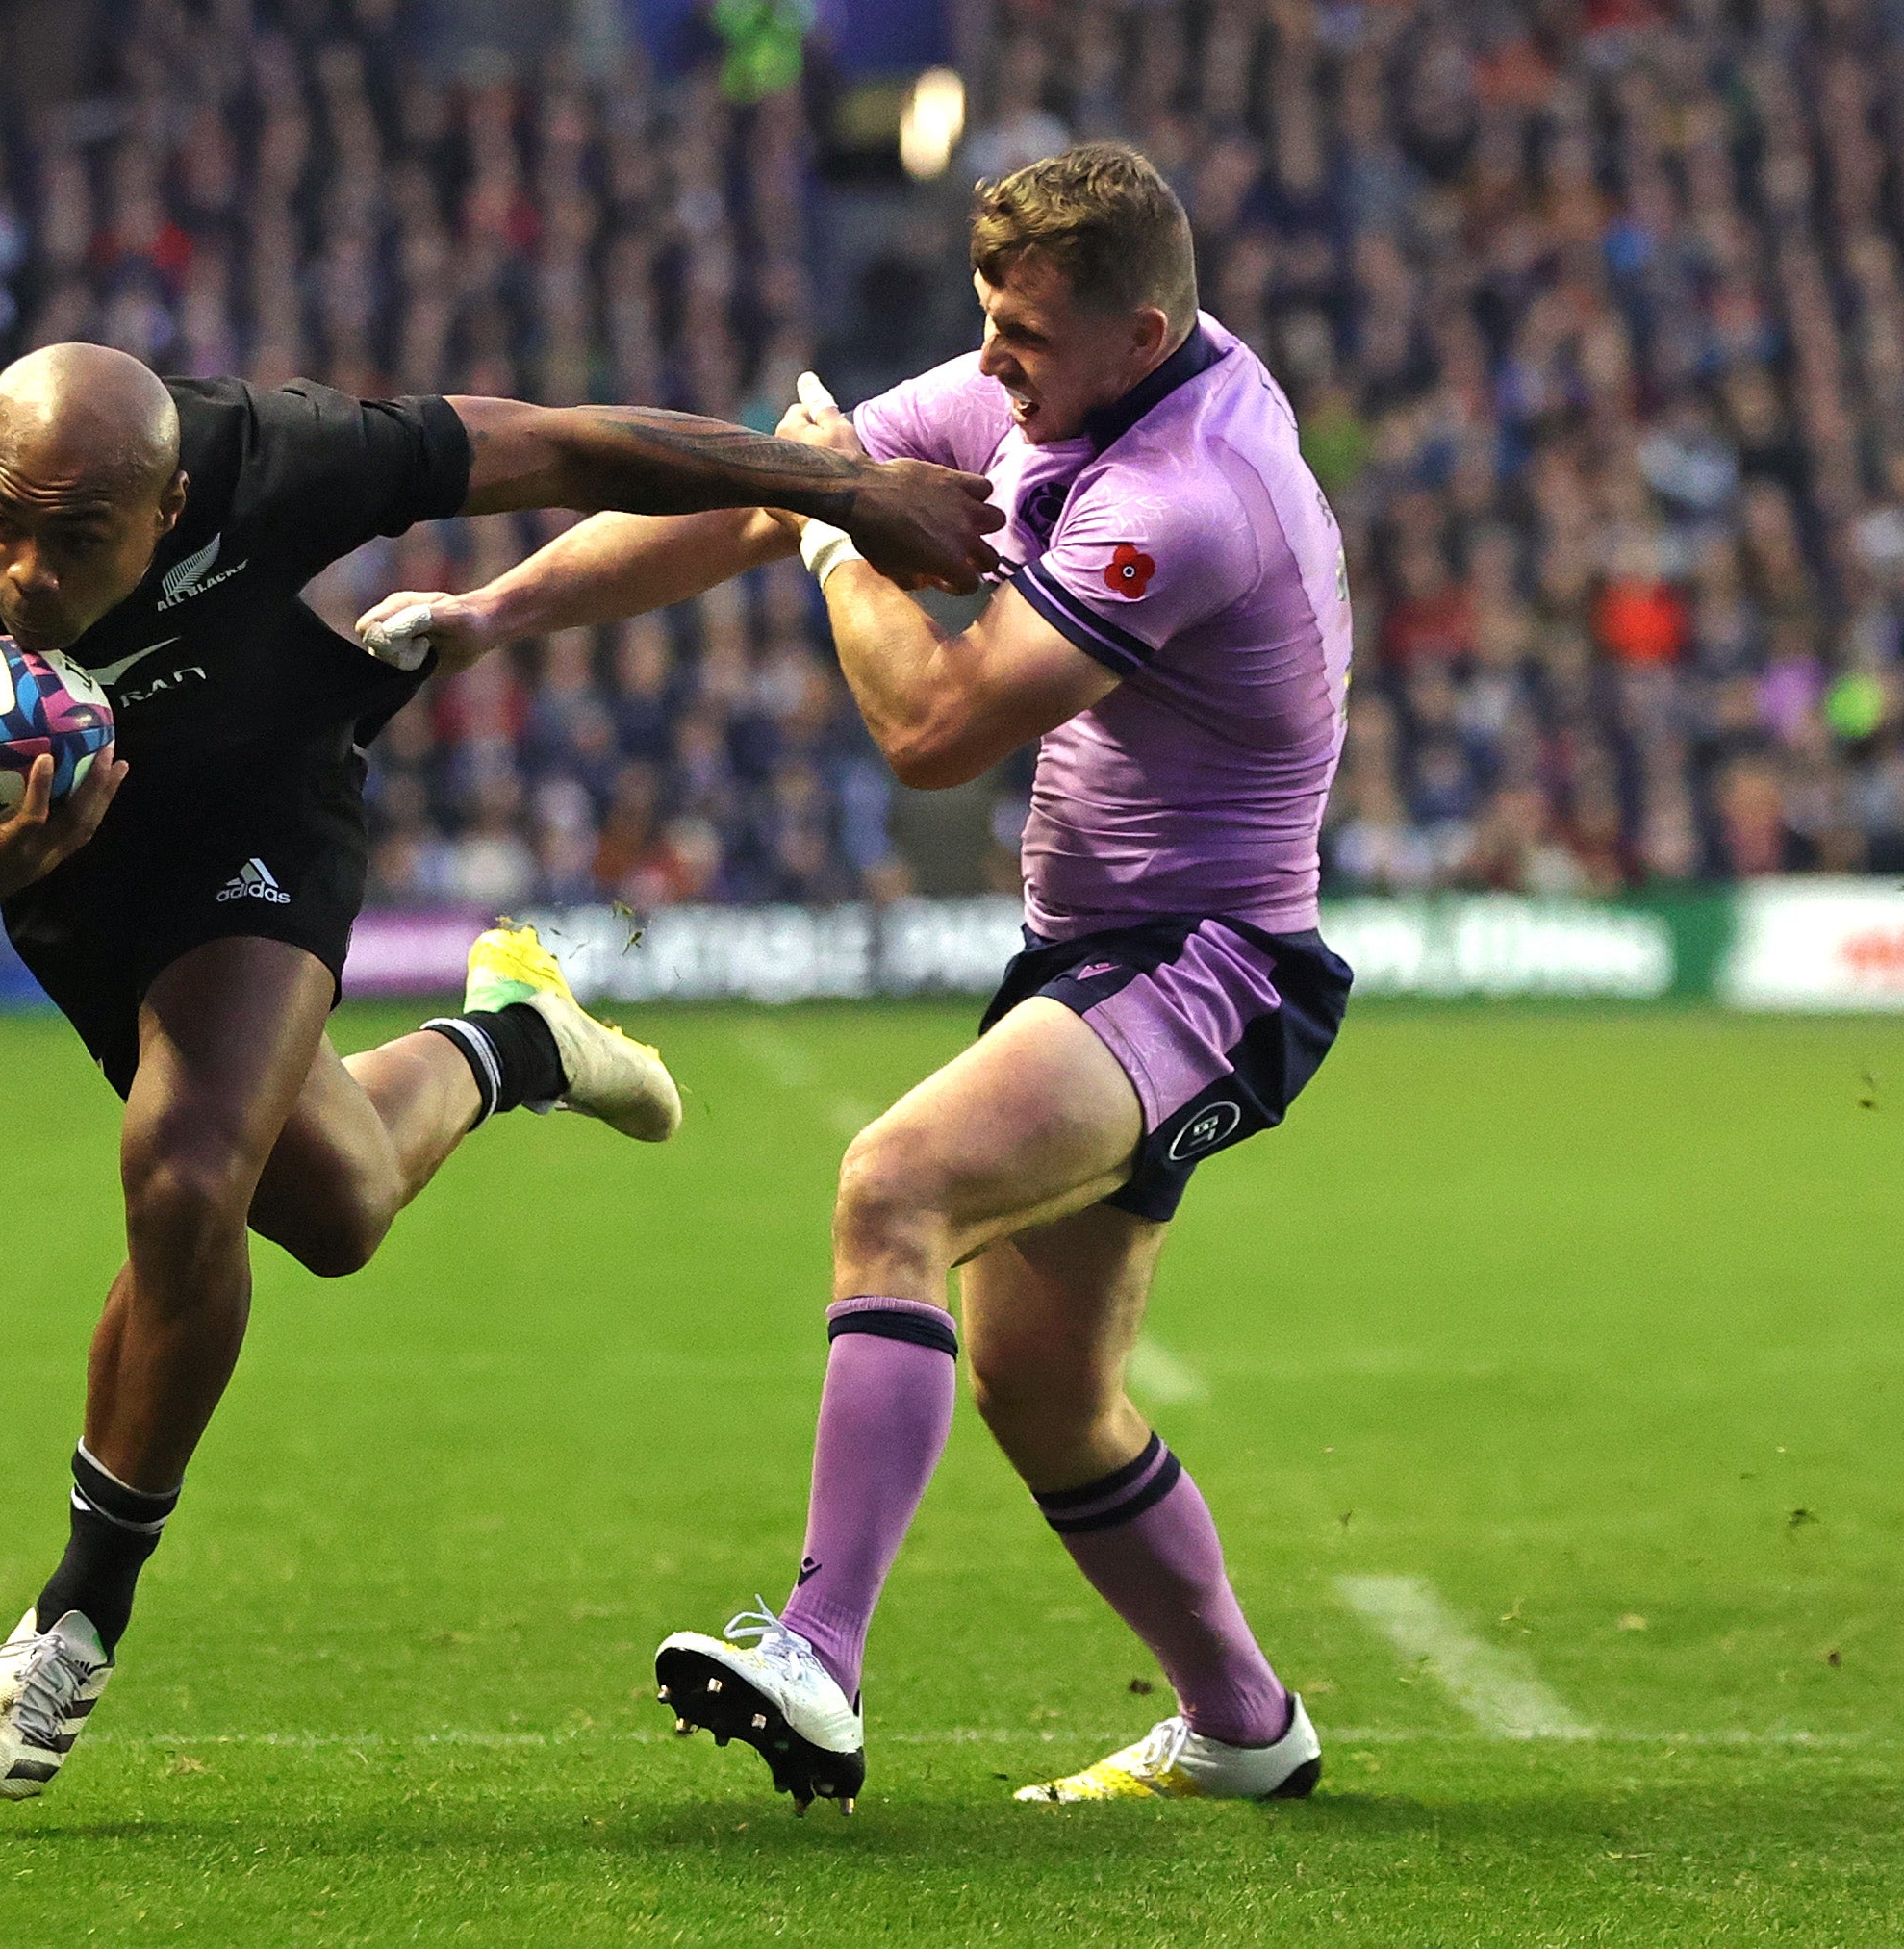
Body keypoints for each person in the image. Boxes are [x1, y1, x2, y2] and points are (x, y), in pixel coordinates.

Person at [0, 342, 1000, 1803]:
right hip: (80, 895)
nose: (25, 573)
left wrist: (847, 489)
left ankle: (74, 1615)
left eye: (79, 540)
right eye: (7, 521)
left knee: (186, 1171)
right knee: (335, 1207)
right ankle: (517, 1039)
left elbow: (568, 439)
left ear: (174, 500)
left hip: (267, 815)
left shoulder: (278, 458)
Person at [360, 142, 1351, 1810]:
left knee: (890, 1180)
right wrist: (489, 614)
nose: (990, 359)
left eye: (1026, 332)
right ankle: (1247, 1727)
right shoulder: (1046, 391)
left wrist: (842, 539)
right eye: (985, 315)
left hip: (1211, 963)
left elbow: (934, 731)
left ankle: (818, 1650)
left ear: (1144, 329)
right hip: (1100, 955)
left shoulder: (1185, 496)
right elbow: (764, 488)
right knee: (1046, 1388)